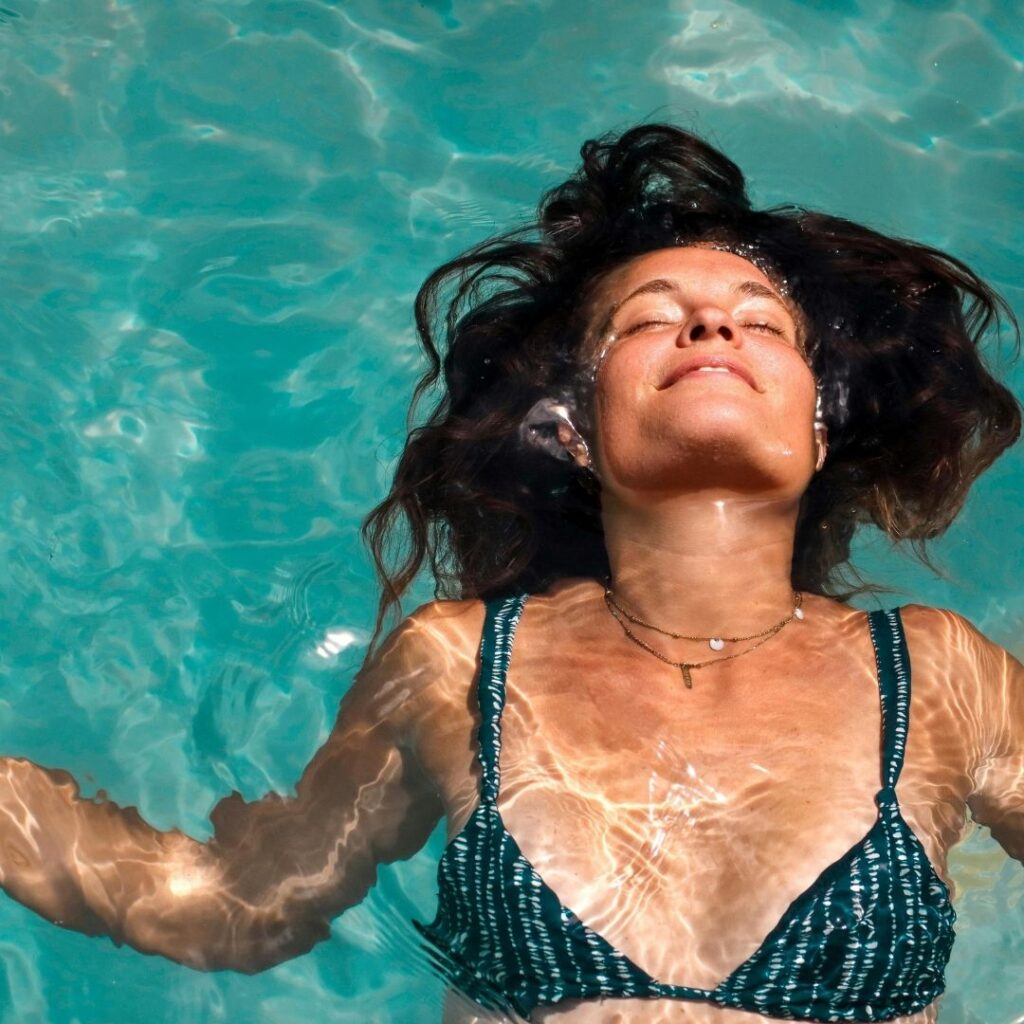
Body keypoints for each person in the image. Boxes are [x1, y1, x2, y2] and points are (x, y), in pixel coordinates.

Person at [0, 124, 1021, 1024]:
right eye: (648, 320)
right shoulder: (455, 663)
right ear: (570, 428)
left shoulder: (939, 675)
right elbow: (237, 905)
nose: (711, 326)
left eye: (759, 322)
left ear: (816, 420)